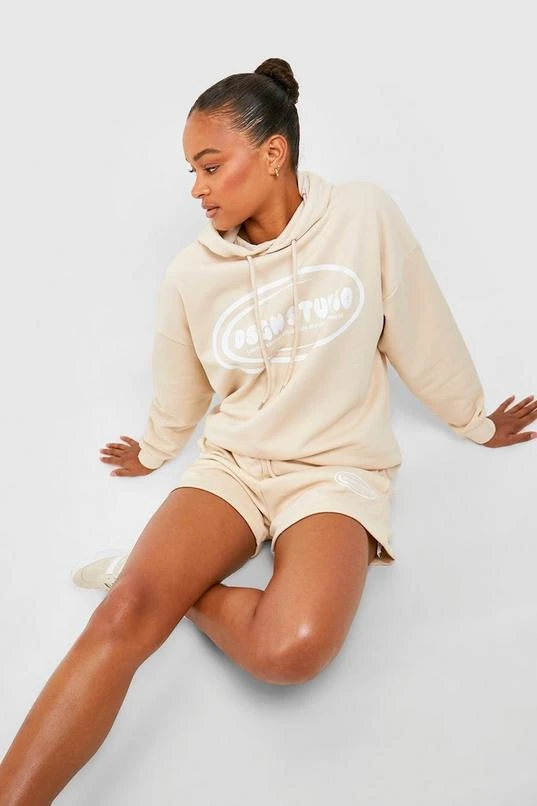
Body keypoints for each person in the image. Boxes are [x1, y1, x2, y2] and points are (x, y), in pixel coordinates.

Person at [1, 56, 535, 803]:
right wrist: (154, 449)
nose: (197, 189)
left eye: (210, 166)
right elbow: (181, 386)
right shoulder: (191, 273)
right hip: (236, 466)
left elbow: (420, 324)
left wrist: (471, 418)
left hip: (334, 470)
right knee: (124, 618)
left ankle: (165, 583)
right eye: (192, 172)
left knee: (291, 649)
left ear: (274, 153)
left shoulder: (362, 216)